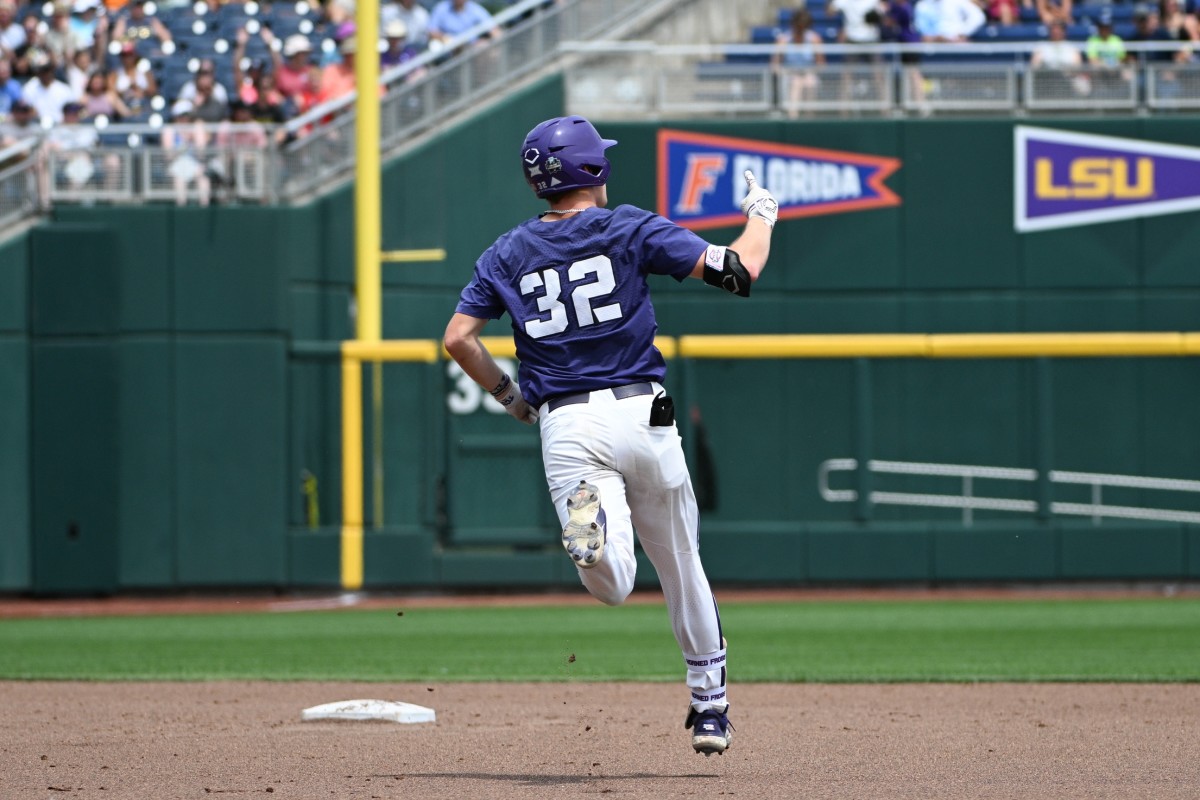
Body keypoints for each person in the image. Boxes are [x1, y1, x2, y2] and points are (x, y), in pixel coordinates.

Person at [442, 115, 777, 757]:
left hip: (566, 422)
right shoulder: (628, 225)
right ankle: (710, 707)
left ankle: (594, 540)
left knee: (612, 584)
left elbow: (458, 338)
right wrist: (761, 212)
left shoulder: (506, 251)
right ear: (594, 169)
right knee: (681, 564)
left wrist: (510, 396)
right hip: (641, 411)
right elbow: (740, 270)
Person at [772, 8, 825, 118]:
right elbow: (775, 65)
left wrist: (808, 72)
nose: (800, 30)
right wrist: (786, 72)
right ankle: (793, 117)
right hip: (789, 74)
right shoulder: (783, 40)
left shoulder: (814, 39)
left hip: (808, 73)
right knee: (796, 83)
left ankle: (809, 117)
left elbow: (821, 64)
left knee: (810, 82)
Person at [428, 0, 500, 48]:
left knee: (485, 47)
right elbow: (431, 32)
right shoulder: (441, 9)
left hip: (472, 48)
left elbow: (492, 28)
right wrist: (446, 38)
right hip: (451, 50)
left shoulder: (473, 7)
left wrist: (496, 41)